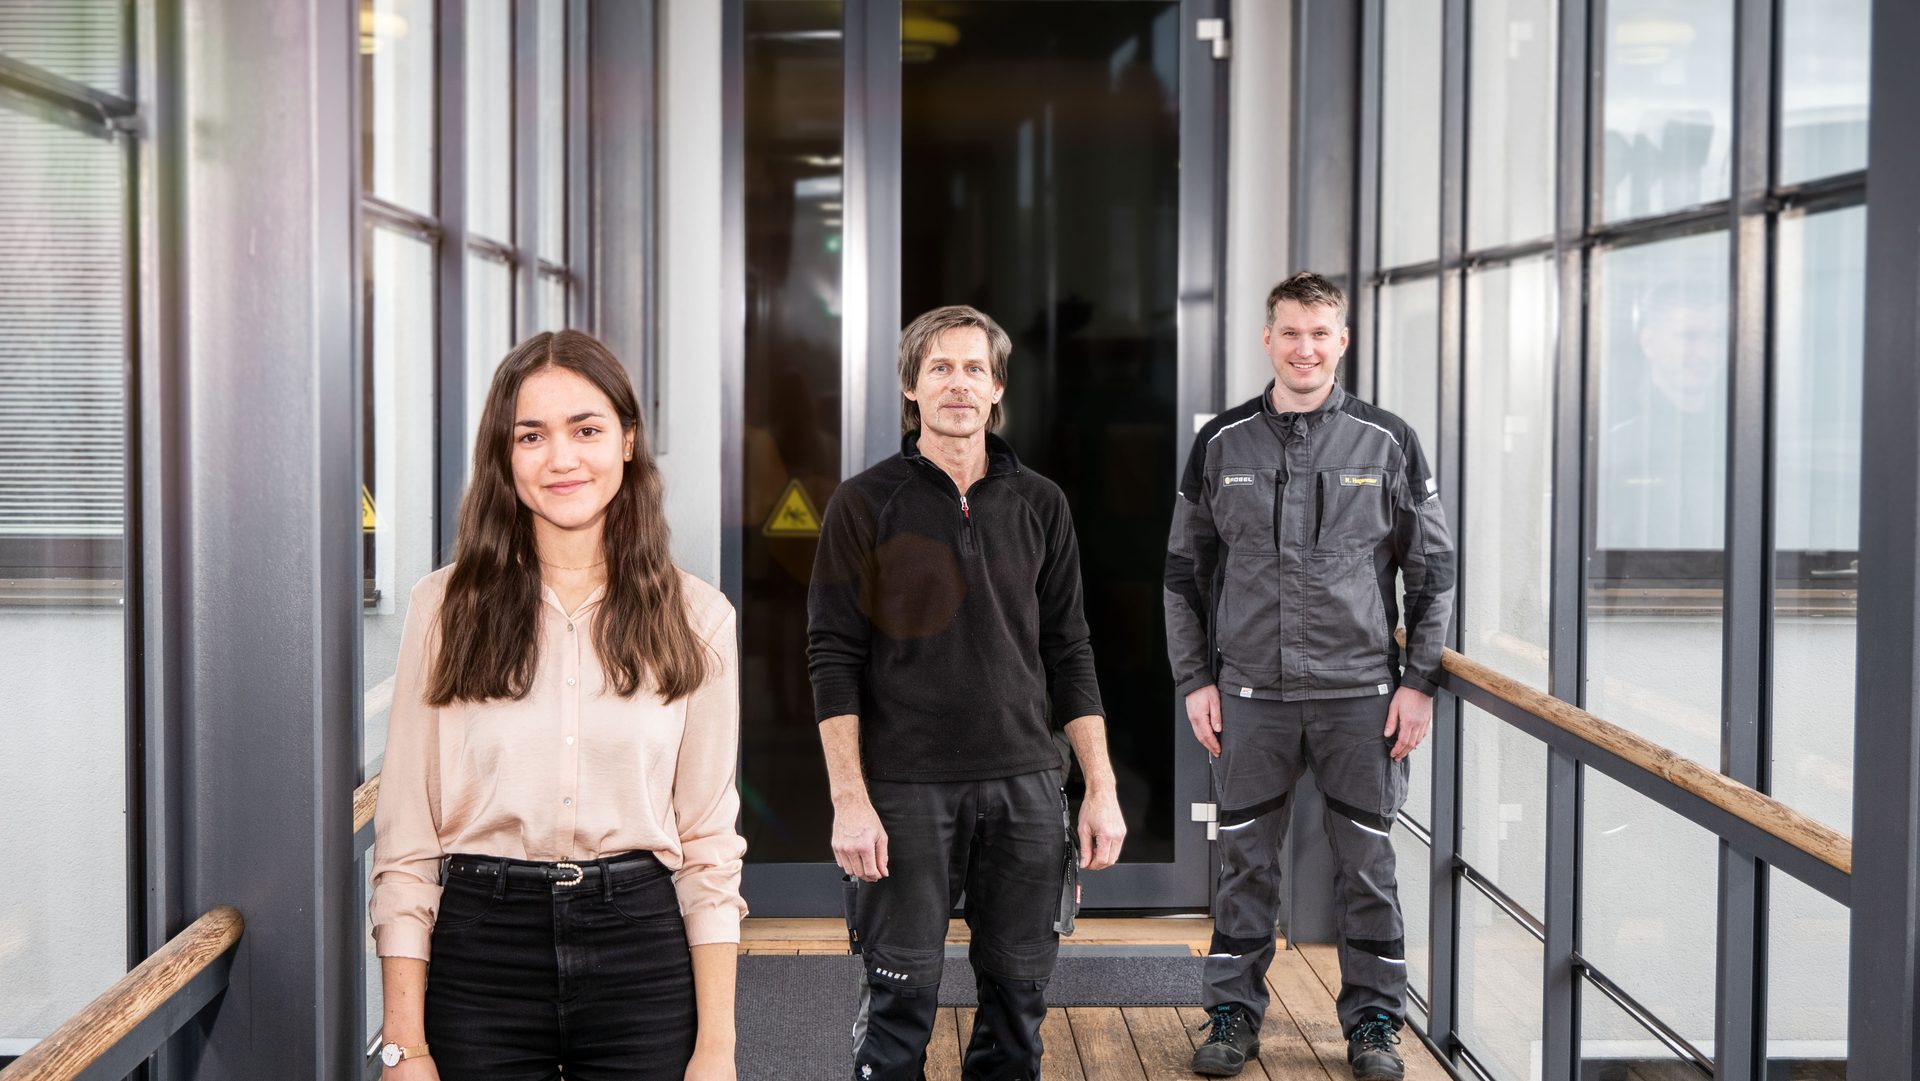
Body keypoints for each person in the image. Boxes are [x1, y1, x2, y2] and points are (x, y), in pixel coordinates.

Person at [369, 330, 745, 1080]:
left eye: (587, 429)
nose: (561, 458)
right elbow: (406, 840)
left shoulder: (698, 618)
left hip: (641, 947)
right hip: (483, 954)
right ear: (504, 456)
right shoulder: (443, 609)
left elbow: (708, 845)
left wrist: (717, 1048)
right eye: (531, 435)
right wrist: (405, 1044)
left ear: (628, 440)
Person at [808, 304, 1128, 1081]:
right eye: (940, 368)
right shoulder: (864, 502)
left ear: (997, 387)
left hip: (1026, 785)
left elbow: (1070, 650)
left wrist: (1100, 786)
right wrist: (849, 798)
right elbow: (832, 656)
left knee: (1018, 1007)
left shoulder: (1041, 503)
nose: (959, 384)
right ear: (911, 386)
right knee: (899, 1003)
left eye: (974, 368)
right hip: (905, 788)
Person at [1164, 273, 1455, 1081]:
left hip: (1361, 697)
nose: (1305, 348)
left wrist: (1420, 682)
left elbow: (1433, 572)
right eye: (1291, 332)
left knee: (1368, 868)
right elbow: (1184, 572)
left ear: (1342, 341)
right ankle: (1232, 1012)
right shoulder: (1222, 443)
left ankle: (1375, 1023)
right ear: (1268, 339)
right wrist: (1195, 679)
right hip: (1250, 695)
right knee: (1245, 862)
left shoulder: (1388, 440)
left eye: (1320, 333)